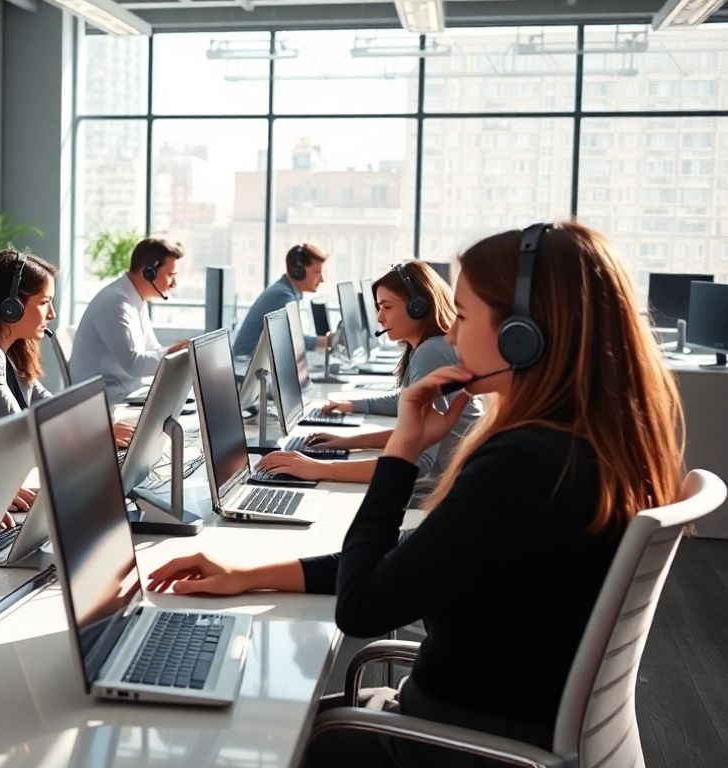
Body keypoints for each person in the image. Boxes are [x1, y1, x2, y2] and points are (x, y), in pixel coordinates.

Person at [149, 222, 684, 766]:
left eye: (467, 315)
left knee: (229, 737)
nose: (451, 334)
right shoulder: (583, 447)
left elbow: (362, 608)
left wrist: (402, 453)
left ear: (522, 334)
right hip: (501, 725)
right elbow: (404, 565)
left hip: (456, 743)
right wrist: (246, 576)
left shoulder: (522, 467)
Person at [255, 261, 483, 502]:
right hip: (452, 481)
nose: (380, 318)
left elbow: (417, 462)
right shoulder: (426, 349)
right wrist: (349, 442)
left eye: (387, 307)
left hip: (449, 490)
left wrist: (321, 469)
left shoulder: (431, 354)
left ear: (418, 306)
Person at [0, 250, 134, 480]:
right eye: (44, 302)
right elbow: (20, 430)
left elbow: (50, 407)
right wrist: (97, 434)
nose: (52, 313)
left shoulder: (10, 351)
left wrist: (100, 426)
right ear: (11, 306)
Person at [69, 237, 189, 405]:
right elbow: (134, 364)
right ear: (149, 272)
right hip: (103, 402)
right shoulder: (115, 302)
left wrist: (177, 352)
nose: (174, 284)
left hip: (125, 392)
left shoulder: (136, 300)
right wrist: (173, 351)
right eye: (170, 275)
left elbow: (152, 349)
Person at [232, 243, 327, 358]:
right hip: (246, 364)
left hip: (257, 362)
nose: (321, 279)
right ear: (299, 271)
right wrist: (329, 341)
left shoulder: (286, 291)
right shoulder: (282, 296)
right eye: (317, 272)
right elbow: (293, 341)